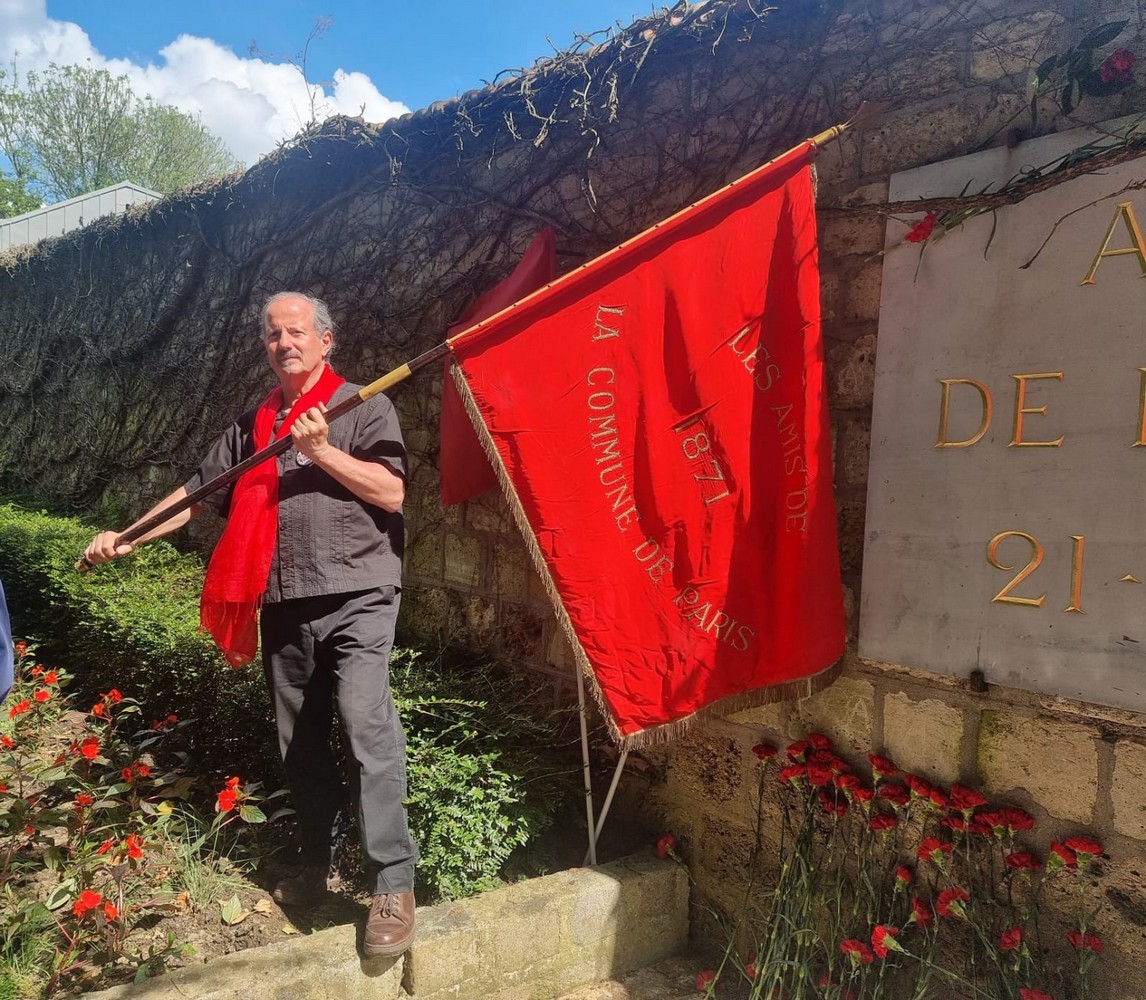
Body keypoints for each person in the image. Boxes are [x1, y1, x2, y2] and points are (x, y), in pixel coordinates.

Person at [83, 291, 418, 958]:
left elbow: (391, 493)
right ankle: (316, 865)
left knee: (364, 724)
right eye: (273, 335)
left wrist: (321, 451)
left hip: (359, 594)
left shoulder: (363, 405)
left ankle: (393, 885)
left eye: (296, 332)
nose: (284, 343)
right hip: (284, 599)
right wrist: (130, 534)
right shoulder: (255, 424)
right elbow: (198, 492)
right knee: (299, 744)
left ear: (326, 342)